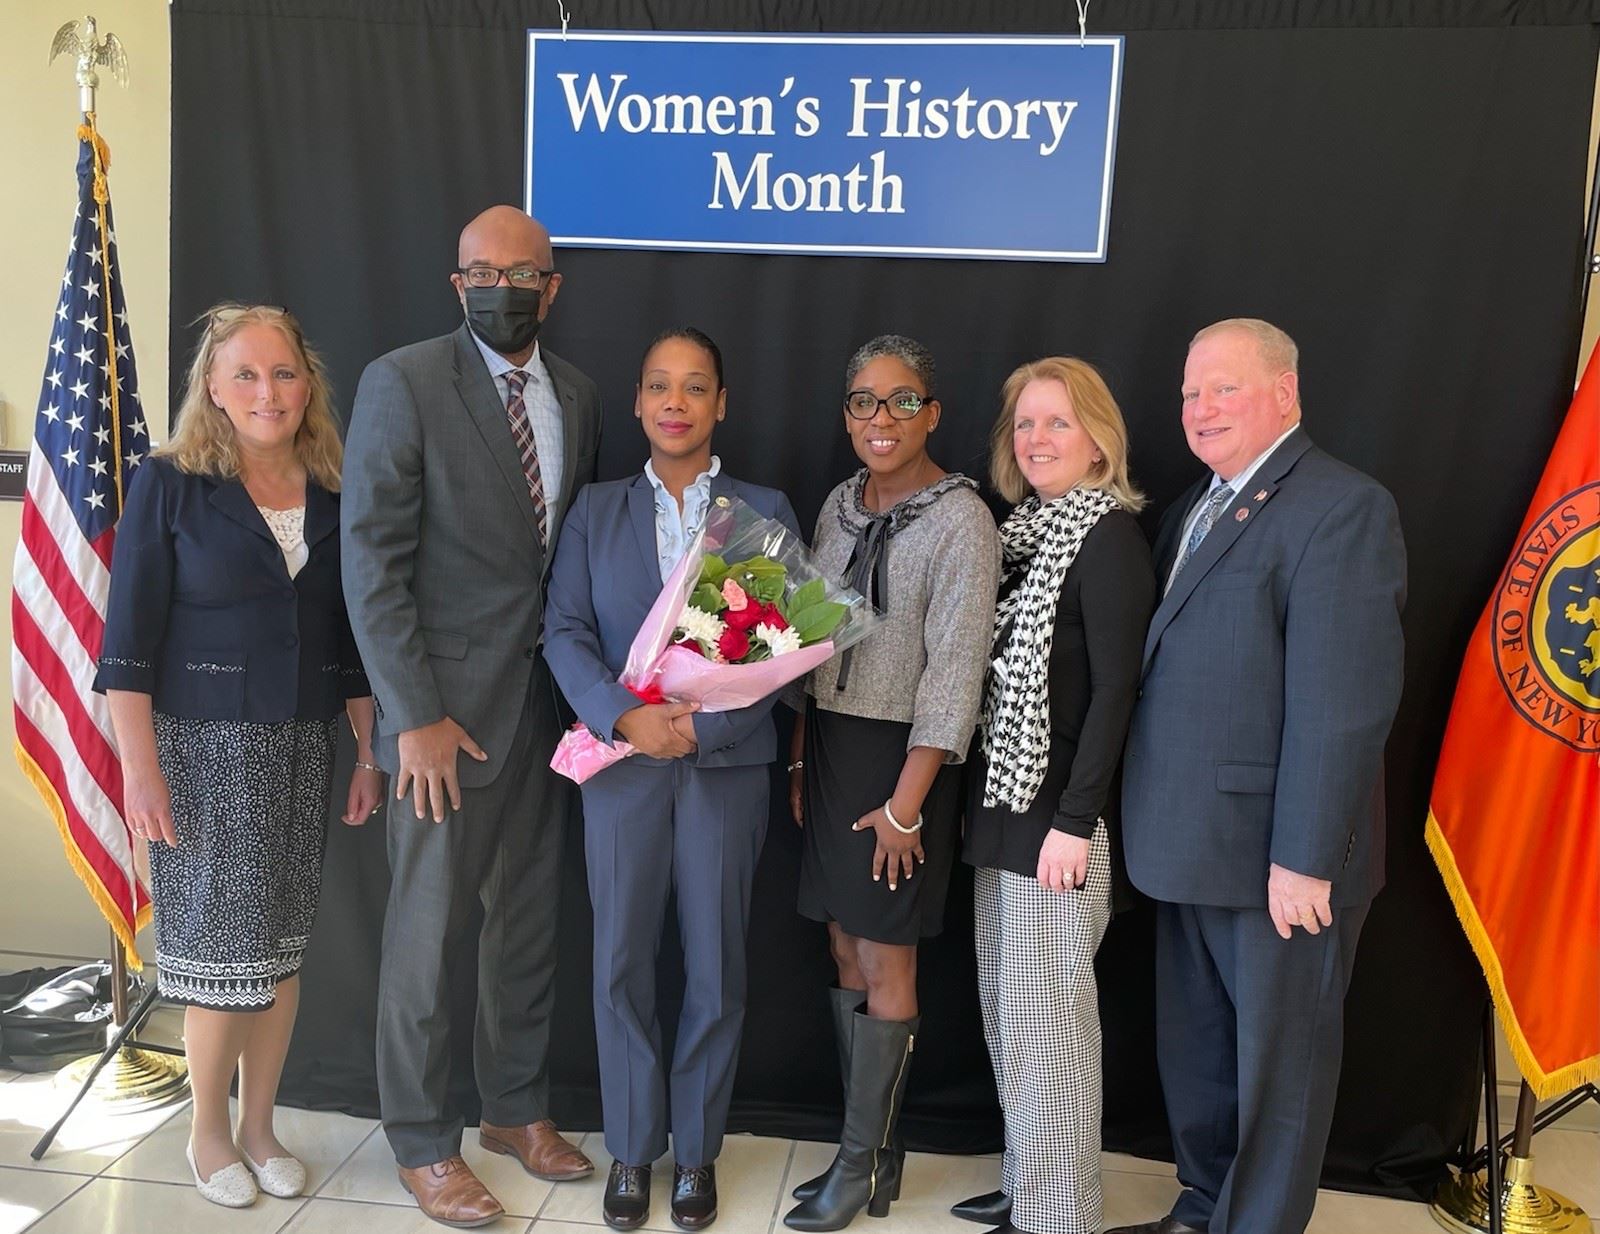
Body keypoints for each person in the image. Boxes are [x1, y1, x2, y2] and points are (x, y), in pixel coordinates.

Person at [1108, 319, 1406, 1234]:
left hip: (1281, 862)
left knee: (1279, 1073)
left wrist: (1306, 858)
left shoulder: (1341, 507)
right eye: (1191, 393)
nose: (1200, 410)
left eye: (1223, 390)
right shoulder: (1195, 507)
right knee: (1199, 1057)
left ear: (1285, 393)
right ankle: (1203, 1207)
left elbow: (1342, 704)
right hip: (1188, 844)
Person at [341, 205, 601, 1228]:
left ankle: (515, 1109)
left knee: (528, 930)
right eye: (480, 271)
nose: (502, 284)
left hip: (549, 713)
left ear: (552, 284)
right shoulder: (401, 382)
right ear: (456, 284)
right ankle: (418, 1140)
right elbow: (372, 563)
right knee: (425, 935)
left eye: (521, 271)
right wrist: (411, 715)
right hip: (441, 720)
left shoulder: (576, 394)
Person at [96, 304, 382, 1209]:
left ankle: (261, 1126)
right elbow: (127, 648)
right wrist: (140, 772)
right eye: (247, 375)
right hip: (202, 750)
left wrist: (370, 749)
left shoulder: (337, 491)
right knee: (221, 956)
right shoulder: (172, 484)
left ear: (309, 386)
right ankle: (207, 1133)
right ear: (213, 389)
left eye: (285, 373)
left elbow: (347, 640)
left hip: (300, 746)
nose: (269, 391)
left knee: (279, 951)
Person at [545, 327, 800, 1232]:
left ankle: (694, 1156)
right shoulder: (594, 510)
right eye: (659, 386)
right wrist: (626, 716)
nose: (676, 402)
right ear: (642, 400)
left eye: (695, 387)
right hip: (622, 767)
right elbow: (565, 631)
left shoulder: (764, 508)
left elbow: (781, 654)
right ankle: (630, 1148)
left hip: (725, 769)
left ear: (721, 403)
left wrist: (707, 729)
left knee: (716, 964)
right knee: (618, 963)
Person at [783, 334, 1000, 1233]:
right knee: (841, 946)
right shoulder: (836, 506)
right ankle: (871, 1145)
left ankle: (857, 1160)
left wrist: (908, 806)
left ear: (933, 413)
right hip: (830, 747)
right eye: (865, 402)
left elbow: (956, 670)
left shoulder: (962, 521)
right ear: (847, 415)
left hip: (903, 760)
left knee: (886, 957)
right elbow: (798, 632)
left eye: (901, 400)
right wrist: (800, 752)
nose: (882, 418)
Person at [953, 358, 1155, 1234]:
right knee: (1008, 1020)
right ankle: (1028, 1181)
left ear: (1099, 441)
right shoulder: (1022, 536)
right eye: (1025, 425)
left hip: (1058, 829)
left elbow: (1116, 693)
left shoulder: (1107, 538)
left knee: (1052, 1037)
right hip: (1001, 817)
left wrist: (1075, 822)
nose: (1037, 440)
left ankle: (1060, 1215)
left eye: (1058, 424)